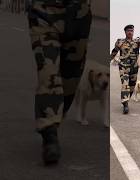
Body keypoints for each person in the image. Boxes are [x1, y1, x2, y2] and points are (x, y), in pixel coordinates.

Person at [28, 0, 92, 165]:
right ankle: (49, 132)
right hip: (43, 13)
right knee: (48, 73)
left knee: (70, 80)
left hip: (79, 16)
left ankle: (54, 122)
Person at [110, 25, 140, 114]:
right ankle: (125, 105)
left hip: (134, 67)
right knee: (125, 84)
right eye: (128, 31)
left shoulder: (136, 42)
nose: (130, 32)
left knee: (132, 86)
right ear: (125, 32)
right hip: (124, 66)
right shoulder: (120, 41)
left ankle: (125, 99)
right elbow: (114, 51)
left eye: (132, 31)